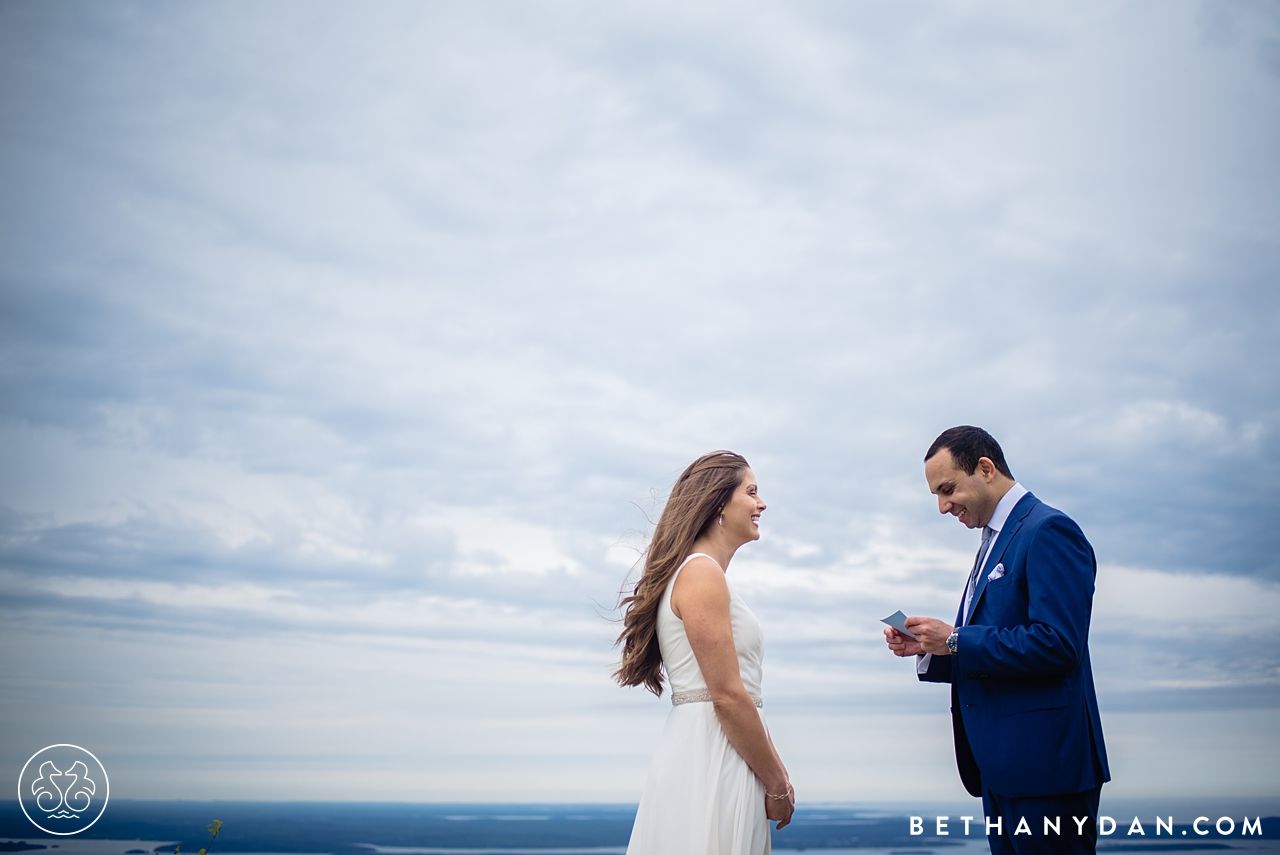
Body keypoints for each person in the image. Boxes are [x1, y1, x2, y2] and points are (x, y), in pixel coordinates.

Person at [884, 426, 1110, 855]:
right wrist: (932, 649)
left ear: (985, 469)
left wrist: (955, 640)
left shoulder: (1048, 531)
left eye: (947, 489)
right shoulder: (994, 540)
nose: (942, 506)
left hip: (1046, 770)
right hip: (1000, 768)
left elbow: (1058, 643)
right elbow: (993, 645)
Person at [616, 451, 794, 855]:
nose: (761, 504)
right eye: (751, 492)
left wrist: (773, 767)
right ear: (718, 503)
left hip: (714, 747)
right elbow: (728, 695)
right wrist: (777, 786)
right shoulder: (701, 573)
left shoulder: (696, 572)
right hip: (714, 755)